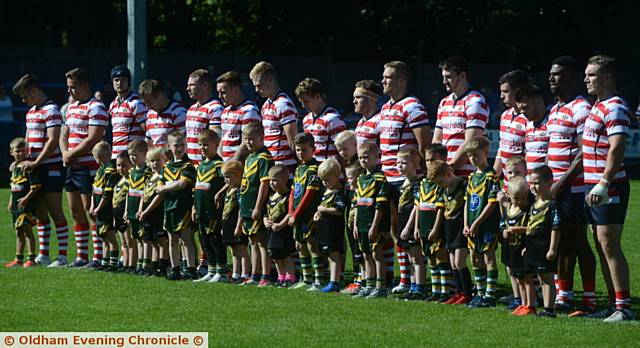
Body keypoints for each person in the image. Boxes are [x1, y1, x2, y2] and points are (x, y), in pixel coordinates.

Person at [582, 55, 633, 322]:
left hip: (609, 186)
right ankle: (615, 302)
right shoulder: (598, 106)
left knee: (608, 243)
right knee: (600, 244)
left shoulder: (614, 107)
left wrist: (603, 182)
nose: (586, 79)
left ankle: (624, 307)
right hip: (594, 184)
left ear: (607, 78)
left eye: (591, 75)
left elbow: (617, 147)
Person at [546, 56, 597, 316]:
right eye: (551, 74)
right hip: (555, 189)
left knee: (577, 243)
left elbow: (583, 153)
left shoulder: (581, 108)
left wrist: (561, 183)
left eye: (557, 74)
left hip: (574, 190)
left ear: (572, 77)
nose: (551, 78)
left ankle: (589, 300)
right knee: (562, 243)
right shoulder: (555, 109)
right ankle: (564, 296)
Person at [380, 61, 432, 292]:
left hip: (407, 179)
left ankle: (418, 279)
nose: (383, 81)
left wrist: (420, 176)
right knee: (394, 227)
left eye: (388, 77)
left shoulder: (412, 106)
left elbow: (424, 144)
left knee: (410, 229)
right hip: (388, 176)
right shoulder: (385, 107)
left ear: (402, 80)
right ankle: (404, 278)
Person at [13, 74, 69, 267]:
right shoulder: (31, 112)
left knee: (55, 211)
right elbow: (27, 140)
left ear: (34, 91)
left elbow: (53, 140)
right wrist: (21, 160)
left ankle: (62, 256)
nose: (23, 100)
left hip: (51, 166)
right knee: (40, 213)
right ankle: (43, 255)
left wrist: (36, 161)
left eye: (25, 96)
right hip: (35, 167)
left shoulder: (51, 110)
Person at [60, 68, 108, 268]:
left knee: (91, 211)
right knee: (75, 211)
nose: (69, 92)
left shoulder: (96, 107)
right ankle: (81, 255)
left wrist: (71, 154)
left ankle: (97, 257)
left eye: (72, 87)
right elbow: (64, 132)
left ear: (84, 86)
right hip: (72, 166)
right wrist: (65, 154)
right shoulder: (71, 107)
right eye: (68, 87)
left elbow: (93, 137)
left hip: (88, 166)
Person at [433, 56, 489, 178]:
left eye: (448, 77)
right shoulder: (444, 102)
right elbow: (437, 140)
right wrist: (435, 167)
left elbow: (470, 143)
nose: (444, 81)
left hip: (465, 175)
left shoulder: (475, 101)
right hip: (445, 174)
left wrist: (449, 169)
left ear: (462, 76)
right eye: (443, 77)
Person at [426, 160, 473, 305]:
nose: (440, 185)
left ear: (448, 174)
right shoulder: (444, 189)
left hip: (460, 227)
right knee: (453, 263)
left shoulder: (463, 185)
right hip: (449, 228)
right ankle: (458, 292)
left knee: (459, 261)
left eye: (440, 182)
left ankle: (467, 293)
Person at [462, 137, 500, 308]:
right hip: (471, 225)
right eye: (469, 156)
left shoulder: (491, 176)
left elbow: (492, 203)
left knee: (488, 257)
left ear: (485, 153)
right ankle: (480, 292)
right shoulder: (471, 177)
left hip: (486, 224)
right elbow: (467, 202)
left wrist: (477, 223)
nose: (472, 159)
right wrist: (466, 224)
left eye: (476, 155)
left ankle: (490, 295)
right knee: (475, 258)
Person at [352, 142, 391, 299]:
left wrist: (375, 226)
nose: (363, 160)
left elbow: (380, 205)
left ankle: (381, 286)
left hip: (374, 223)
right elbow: (357, 204)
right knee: (366, 254)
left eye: (366, 157)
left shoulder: (380, 178)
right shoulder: (361, 178)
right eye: (360, 158)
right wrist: (355, 223)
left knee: (376, 254)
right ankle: (369, 284)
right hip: (361, 222)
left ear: (377, 157)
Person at [522, 165, 561, 318]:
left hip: (544, 246)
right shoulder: (534, 204)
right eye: (531, 183)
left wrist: (552, 249)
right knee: (538, 277)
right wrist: (526, 246)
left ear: (549, 182)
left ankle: (549, 309)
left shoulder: (552, 205)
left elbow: (556, 228)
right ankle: (542, 304)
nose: (533, 187)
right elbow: (530, 227)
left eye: (537, 183)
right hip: (533, 246)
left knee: (547, 278)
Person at [158, 130, 197, 280]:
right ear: (169, 147)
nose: (179, 148)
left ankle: (190, 268)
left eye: (182, 145)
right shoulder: (166, 167)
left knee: (186, 238)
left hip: (183, 206)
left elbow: (182, 184)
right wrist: (164, 187)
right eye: (176, 145)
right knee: (172, 238)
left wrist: (166, 188)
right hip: (169, 207)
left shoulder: (188, 166)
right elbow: (158, 186)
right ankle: (174, 268)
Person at [239, 122, 274, 286]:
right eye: (245, 139)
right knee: (252, 240)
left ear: (261, 138)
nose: (248, 142)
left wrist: (259, 206)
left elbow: (264, 184)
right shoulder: (249, 157)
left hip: (256, 204)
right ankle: (254, 273)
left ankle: (266, 275)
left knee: (261, 241)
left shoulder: (264, 158)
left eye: (251, 139)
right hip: (246, 204)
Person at [416, 144, 452, 302]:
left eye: (433, 160)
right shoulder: (423, 182)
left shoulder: (441, 183)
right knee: (430, 257)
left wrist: (436, 228)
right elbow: (418, 205)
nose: (429, 163)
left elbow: (440, 208)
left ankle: (446, 290)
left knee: (441, 256)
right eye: (427, 160)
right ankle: (435, 290)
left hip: (436, 226)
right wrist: (417, 227)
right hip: (423, 224)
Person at [288, 133, 324, 290]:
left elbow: (309, 194)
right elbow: (292, 192)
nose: (300, 153)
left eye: (304, 150)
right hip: (296, 214)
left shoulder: (314, 169)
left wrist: (296, 214)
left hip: (308, 214)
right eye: (298, 150)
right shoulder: (298, 168)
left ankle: (318, 279)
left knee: (312, 245)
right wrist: (290, 212)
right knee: (300, 245)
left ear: (313, 149)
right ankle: (306, 278)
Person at [249, 61, 299, 174]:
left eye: (259, 85)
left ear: (270, 80)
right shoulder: (265, 105)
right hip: (271, 167)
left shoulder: (283, 104)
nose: (256, 90)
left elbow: (293, 140)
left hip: (285, 169)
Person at [192, 129, 227, 282]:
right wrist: (194, 206)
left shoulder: (219, 164)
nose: (203, 148)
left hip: (212, 209)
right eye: (200, 145)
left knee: (215, 239)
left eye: (206, 145)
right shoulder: (201, 165)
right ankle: (211, 269)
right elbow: (197, 187)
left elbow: (228, 182)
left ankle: (222, 271)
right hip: (200, 208)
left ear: (216, 145)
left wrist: (220, 193)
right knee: (204, 240)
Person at [395, 147, 426, 300]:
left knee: (416, 257)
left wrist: (409, 226)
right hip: (403, 222)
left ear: (415, 165)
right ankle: (413, 286)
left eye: (403, 163)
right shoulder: (404, 182)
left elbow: (416, 206)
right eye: (397, 162)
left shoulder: (417, 183)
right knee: (409, 256)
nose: (399, 166)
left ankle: (420, 287)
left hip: (412, 223)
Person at [502, 176, 535, 316]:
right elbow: (505, 224)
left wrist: (519, 230)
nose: (520, 201)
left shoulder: (528, 210)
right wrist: (504, 232)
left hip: (524, 248)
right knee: (519, 279)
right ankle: (522, 303)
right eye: (516, 198)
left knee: (527, 279)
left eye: (523, 197)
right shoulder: (509, 207)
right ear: (509, 195)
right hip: (512, 248)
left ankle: (531, 305)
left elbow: (532, 228)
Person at [6, 138, 39, 268]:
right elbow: (13, 187)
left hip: (26, 206)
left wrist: (26, 198)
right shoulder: (15, 168)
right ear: (11, 152)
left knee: (27, 231)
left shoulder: (28, 167)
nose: (20, 153)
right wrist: (10, 201)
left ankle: (31, 258)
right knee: (18, 232)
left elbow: (35, 187)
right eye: (17, 151)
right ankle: (18, 259)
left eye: (23, 151)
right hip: (16, 206)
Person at [314, 158, 346, 293]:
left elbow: (339, 210)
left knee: (334, 255)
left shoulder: (338, 192)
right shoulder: (326, 192)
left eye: (327, 179)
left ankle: (335, 281)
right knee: (328, 254)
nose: (325, 183)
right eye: (323, 180)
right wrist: (318, 213)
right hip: (325, 228)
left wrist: (322, 210)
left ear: (337, 176)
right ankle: (331, 279)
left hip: (334, 228)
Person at [296, 78, 345, 162]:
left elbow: (343, 151)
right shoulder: (306, 119)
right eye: (301, 102)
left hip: (329, 171)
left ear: (318, 97)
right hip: (312, 170)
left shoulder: (332, 119)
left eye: (306, 101)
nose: (303, 106)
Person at [216, 71, 262, 162]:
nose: (219, 96)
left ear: (236, 90)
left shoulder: (249, 110)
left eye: (223, 92)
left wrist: (232, 164)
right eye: (218, 92)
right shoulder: (225, 111)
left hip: (240, 166)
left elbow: (246, 142)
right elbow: (223, 139)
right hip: (225, 166)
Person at [138, 147, 170, 277]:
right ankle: (154, 265)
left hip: (157, 212)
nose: (155, 163)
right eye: (152, 161)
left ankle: (163, 267)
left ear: (164, 160)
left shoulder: (163, 176)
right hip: (147, 213)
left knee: (161, 240)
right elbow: (143, 194)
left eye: (158, 160)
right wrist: (140, 209)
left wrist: (146, 210)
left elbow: (159, 196)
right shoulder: (150, 177)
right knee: (152, 241)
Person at [89, 141, 120, 271]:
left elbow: (107, 193)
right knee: (103, 237)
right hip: (98, 209)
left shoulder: (111, 170)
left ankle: (113, 263)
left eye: (99, 156)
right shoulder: (100, 169)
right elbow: (94, 189)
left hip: (106, 209)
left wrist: (98, 207)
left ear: (107, 154)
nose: (97, 159)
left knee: (111, 236)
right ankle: (104, 262)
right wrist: (92, 206)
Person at [493, 70, 529, 180]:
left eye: (506, 91)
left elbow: (530, 156)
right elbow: (501, 149)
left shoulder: (530, 118)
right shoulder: (505, 115)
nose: (501, 96)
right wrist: (492, 177)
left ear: (518, 91)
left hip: (521, 186)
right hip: (506, 185)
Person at [264, 165, 296, 287]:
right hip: (272, 230)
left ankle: (290, 276)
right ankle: (280, 275)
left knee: (285, 254)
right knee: (274, 254)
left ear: (285, 179)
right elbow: (265, 212)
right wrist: (265, 220)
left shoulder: (288, 196)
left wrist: (281, 225)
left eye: (275, 180)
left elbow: (290, 212)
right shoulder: (271, 196)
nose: (272, 183)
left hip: (283, 229)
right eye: (270, 180)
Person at [108, 64, 148, 159]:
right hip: (115, 157)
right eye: (116, 80)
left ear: (129, 81)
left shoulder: (136, 103)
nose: (119, 83)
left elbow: (148, 131)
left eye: (123, 79)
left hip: (131, 158)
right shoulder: (112, 105)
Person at [185, 69, 224, 164]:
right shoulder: (191, 109)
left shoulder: (215, 108)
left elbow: (216, 139)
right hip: (191, 164)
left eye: (192, 85)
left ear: (205, 86)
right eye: (188, 85)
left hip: (205, 165)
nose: (187, 89)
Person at [221, 160, 250, 283]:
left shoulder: (240, 190)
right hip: (228, 223)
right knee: (233, 250)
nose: (226, 180)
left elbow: (241, 209)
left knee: (242, 249)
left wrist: (239, 225)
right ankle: (235, 273)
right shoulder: (229, 189)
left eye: (228, 177)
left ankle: (245, 273)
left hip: (236, 223)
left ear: (238, 175)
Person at [124, 140, 151, 273]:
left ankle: (145, 264)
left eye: (135, 154)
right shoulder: (132, 171)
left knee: (144, 238)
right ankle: (139, 264)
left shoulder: (147, 171)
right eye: (130, 155)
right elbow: (129, 191)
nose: (132, 158)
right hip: (132, 208)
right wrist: (126, 210)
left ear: (144, 153)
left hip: (141, 208)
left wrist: (142, 209)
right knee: (136, 238)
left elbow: (146, 191)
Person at [139, 79, 186, 147]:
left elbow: (182, 143)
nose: (148, 107)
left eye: (149, 102)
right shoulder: (150, 114)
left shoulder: (178, 112)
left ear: (160, 95)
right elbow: (149, 141)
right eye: (145, 103)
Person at [341, 162, 366, 294]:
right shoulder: (352, 192)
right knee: (356, 253)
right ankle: (358, 278)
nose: (348, 181)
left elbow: (357, 211)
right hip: (352, 227)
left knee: (362, 254)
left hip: (359, 227)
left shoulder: (361, 192)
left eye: (350, 178)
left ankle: (363, 281)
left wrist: (356, 224)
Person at [515, 84, 549, 172]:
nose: (522, 112)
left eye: (525, 107)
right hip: (530, 182)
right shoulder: (527, 124)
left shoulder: (552, 122)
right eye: (520, 109)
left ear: (539, 101)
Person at [112, 151, 131, 270]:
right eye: (118, 165)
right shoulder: (118, 181)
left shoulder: (130, 181)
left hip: (126, 214)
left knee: (130, 242)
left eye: (124, 165)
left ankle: (130, 264)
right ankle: (124, 262)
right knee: (123, 242)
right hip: (117, 215)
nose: (120, 168)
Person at [353, 80, 381, 147]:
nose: (354, 101)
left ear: (371, 99)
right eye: (354, 97)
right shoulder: (360, 122)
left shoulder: (380, 121)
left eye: (358, 97)